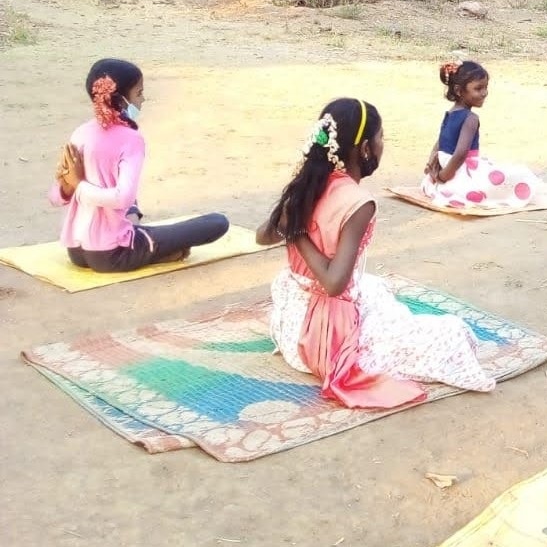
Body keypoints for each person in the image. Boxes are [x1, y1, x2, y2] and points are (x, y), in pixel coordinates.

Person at [257, 98, 495, 408]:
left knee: (375, 288)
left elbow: (262, 237)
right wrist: (298, 234)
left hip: (290, 322)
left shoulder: (308, 183)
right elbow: (334, 284)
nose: (383, 145)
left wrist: (288, 220)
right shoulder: (357, 202)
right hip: (324, 339)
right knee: (453, 334)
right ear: (365, 148)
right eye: (381, 138)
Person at [49, 58, 229, 273]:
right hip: (112, 254)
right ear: (121, 99)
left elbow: (55, 197)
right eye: (139, 93)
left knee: (132, 206)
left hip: (76, 251)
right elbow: (121, 198)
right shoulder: (131, 139)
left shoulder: (81, 132)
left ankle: (144, 240)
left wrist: (69, 186)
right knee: (217, 223)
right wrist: (79, 185)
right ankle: (154, 252)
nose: (142, 99)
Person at [420, 60, 539, 210]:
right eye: (478, 88)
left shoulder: (450, 113)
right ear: (458, 91)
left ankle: (450, 187)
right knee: (517, 177)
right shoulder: (471, 118)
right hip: (460, 170)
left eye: (485, 88)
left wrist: (431, 166)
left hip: (447, 166)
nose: (484, 93)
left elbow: (439, 143)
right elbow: (461, 154)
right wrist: (444, 176)